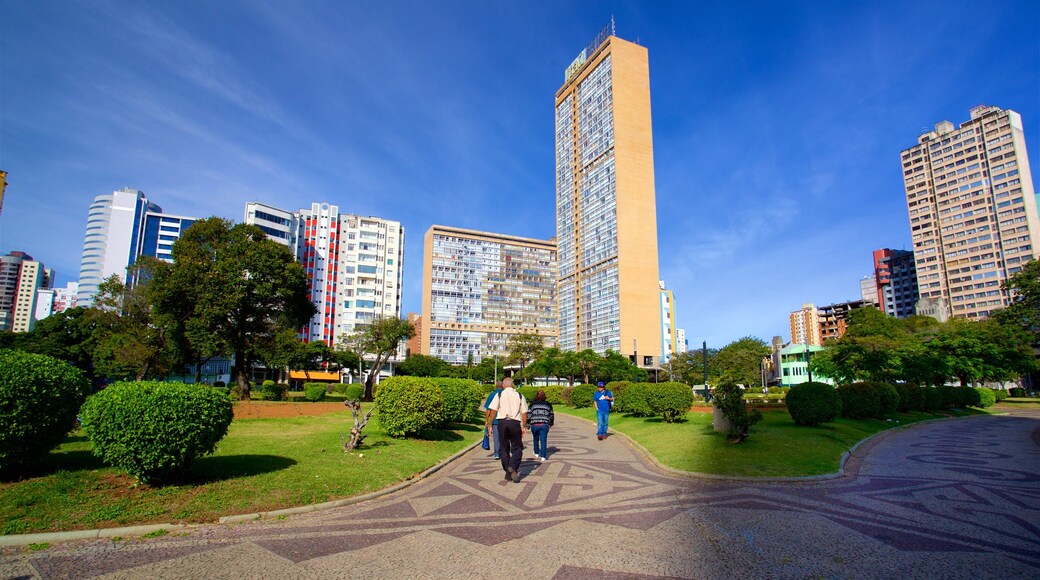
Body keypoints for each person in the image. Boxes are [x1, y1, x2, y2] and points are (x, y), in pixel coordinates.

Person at [486, 377, 528, 483]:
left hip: (502, 423)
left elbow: (493, 411)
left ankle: (508, 472)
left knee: (504, 448)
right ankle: (512, 467)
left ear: (504, 385)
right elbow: (524, 413)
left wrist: (490, 425)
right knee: (517, 447)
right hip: (514, 423)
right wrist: (524, 426)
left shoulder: (499, 395)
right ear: (512, 385)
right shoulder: (519, 395)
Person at [527, 389, 554, 461]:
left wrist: (527, 424)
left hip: (535, 424)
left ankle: (536, 452)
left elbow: (529, 415)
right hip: (544, 424)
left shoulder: (532, 404)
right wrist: (551, 423)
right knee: (543, 440)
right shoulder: (548, 404)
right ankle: (543, 456)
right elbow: (551, 415)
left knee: (535, 438)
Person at [482, 382, 504, 459]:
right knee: (504, 436)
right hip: (504, 419)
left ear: (496, 386)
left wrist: (486, 420)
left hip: (495, 419)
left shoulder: (492, 395)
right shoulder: (505, 394)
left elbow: (488, 409)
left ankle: (497, 453)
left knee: (496, 437)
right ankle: (504, 451)